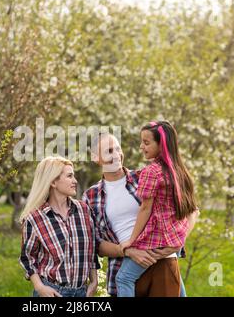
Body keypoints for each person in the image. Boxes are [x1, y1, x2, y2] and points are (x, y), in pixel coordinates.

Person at [83, 131, 198, 297]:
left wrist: (177, 243)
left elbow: (191, 210)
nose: (116, 155)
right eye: (109, 151)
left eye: (117, 149)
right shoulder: (91, 196)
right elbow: (96, 244)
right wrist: (128, 251)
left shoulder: (145, 176)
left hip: (161, 262)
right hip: (123, 270)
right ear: (95, 157)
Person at [116, 121, 200, 297]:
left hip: (156, 239)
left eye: (146, 143)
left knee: (124, 278)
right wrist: (180, 241)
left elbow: (145, 209)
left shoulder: (152, 172)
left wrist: (131, 241)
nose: (141, 147)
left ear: (161, 144)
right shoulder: (180, 171)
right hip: (175, 238)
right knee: (175, 278)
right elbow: (192, 210)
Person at [19, 156, 99, 297]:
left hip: (83, 292)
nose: (75, 181)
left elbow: (91, 250)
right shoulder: (35, 218)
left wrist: (94, 281)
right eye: (69, 176)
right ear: (53, 182)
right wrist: (40, 287)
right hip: (52, 292)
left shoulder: (84, 210)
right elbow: (28, 258)